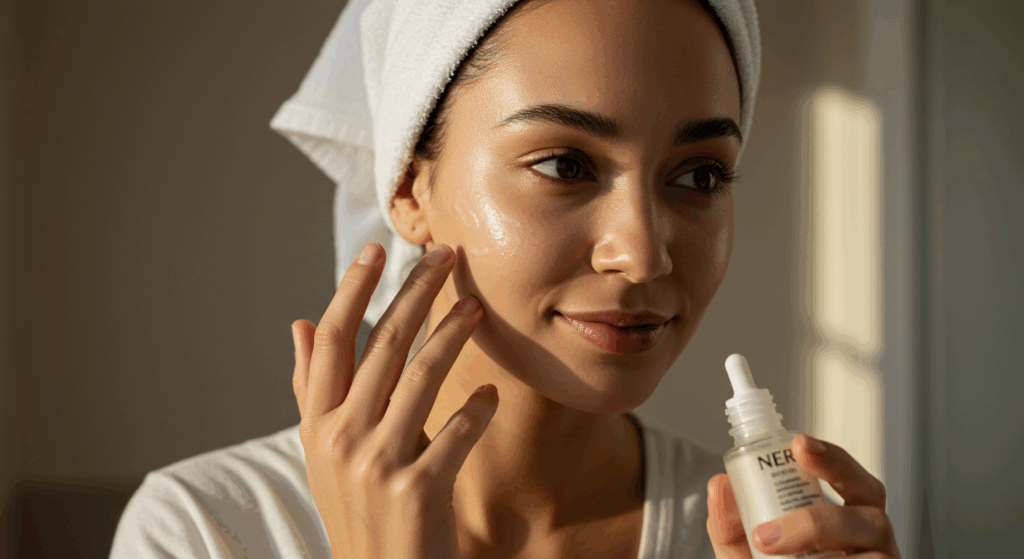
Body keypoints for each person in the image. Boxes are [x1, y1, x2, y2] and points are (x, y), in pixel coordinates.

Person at [110, 0, 902, 557]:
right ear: (410, 190)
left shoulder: (759, 537)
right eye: (564, 164)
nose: (643, 254)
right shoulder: (214, 531)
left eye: (698, 176)